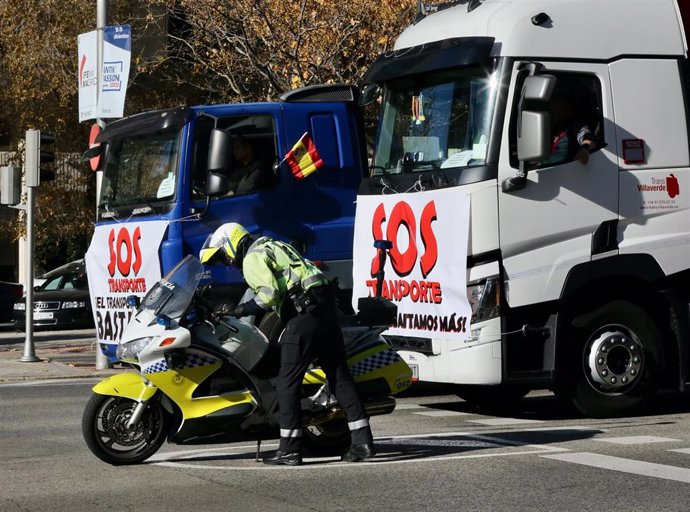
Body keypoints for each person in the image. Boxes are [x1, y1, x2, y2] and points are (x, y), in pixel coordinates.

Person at [199, 223, 375, 466]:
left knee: (287, 380)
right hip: (325, 309)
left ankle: (290, 449)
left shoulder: (252, 257)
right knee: (338, 376)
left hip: (303, 315)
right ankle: (363, 443)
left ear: (231, 243)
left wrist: (238, 310)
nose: (226, 263)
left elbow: (267, 296)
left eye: (222, 256)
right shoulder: (271, 244)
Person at [502, 91, 598, 192]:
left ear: (569, 108)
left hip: (565, 176)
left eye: (560, 106)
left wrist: (584, 149)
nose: (555, 110)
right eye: (553, 107)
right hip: (547, 174)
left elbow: (588, 138)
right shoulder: (551, 128)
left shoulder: (574, 127)